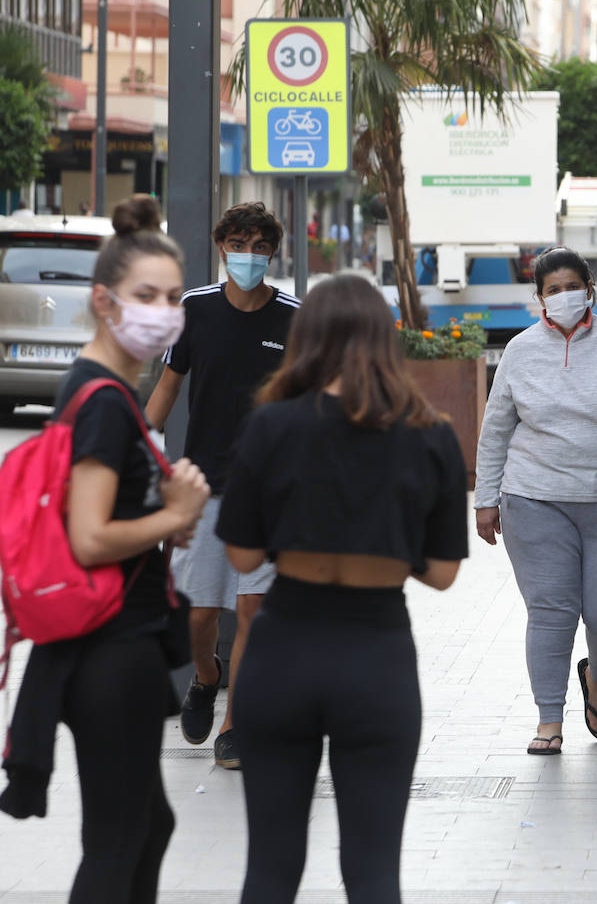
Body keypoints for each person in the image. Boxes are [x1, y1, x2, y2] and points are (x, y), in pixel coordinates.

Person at [214, 274, 466, 903]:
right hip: (375, 657)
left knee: (270, 867)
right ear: (386, 340)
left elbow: (242, 552)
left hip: (282, 654)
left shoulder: (272, 425)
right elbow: (442, 573)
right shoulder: (429, 433)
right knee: (374, 870)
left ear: (308, 339)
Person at [0, 196, 211, 902]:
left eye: (174, 297)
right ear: (103, 300)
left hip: (121, 640)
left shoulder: (108, 392)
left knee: (148, 827)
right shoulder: (100, 402)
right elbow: (89, 538)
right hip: (109, 648)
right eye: (145, 296)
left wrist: (165, 520)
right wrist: (175, 513)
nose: (164, 311)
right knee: (120, 839)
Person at [474, 247, 597, 755]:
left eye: (572, 287)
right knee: (550, 611)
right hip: (534, 499)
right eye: (552, 290)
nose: (564, 297)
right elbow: (495, 430)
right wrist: (485, 498)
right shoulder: (519, 350)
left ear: (590, 289)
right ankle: (548, 719)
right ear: (539, 297)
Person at [144, 201, 299, 770]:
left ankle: (236, 724)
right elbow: (167, 387)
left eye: (260, 247)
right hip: (203, 488)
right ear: (221, 247)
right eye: (239, 245)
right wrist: (137, 447)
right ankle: (207, 678)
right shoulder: (194, 310)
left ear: (272, 253)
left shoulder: (293, 317)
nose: (249, 256)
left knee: (253, 607)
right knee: (196, 614)